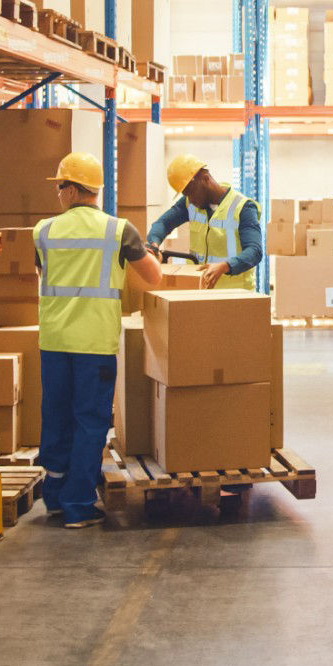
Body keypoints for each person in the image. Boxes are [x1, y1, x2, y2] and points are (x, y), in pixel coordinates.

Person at [35, 152, 162, 528]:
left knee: (55, 416)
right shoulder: (119, 230)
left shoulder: (42, 231)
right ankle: (77, 506)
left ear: (73, 190)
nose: (58, 194)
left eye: (60, 187)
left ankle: (55, 499)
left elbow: (44, 271)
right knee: (89, 421)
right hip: (93, 344)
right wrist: (146, 253)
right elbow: (153, 276)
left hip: (54, 341)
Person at [145, 153, 263, 290]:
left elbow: (254, 251)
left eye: (191, 191)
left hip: (235, 295)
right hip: (200, 291)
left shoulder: (243, 207)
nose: (190, 199)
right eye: (185, 194)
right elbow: (163, 223)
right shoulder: (189, 203)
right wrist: (153, 245)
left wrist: (226, 266)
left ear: (205, 179)